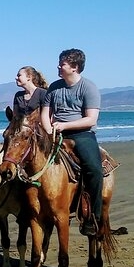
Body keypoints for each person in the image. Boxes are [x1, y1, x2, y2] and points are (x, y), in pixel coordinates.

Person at [40, 48, 103, 236]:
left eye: (63, 64)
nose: (59, 67)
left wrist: (64, 126)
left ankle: (94, 217)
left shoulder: (88, 88)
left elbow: (91, 119)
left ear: (74, 67)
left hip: (82, 134)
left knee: (94, 169)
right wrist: (48, 129)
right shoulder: (54, 87)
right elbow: (45, 114)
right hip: (54, 134)